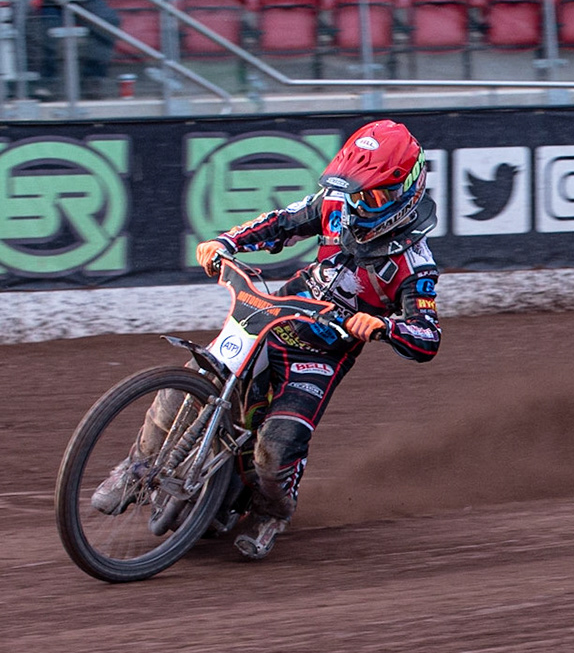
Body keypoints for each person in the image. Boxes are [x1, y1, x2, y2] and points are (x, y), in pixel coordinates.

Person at [89, 121, 443, 558]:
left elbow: (427, 336)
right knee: (188, 381)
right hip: (274, 316)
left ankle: (271, 511)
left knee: (276, 447)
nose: (359, 201)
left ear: (405, 191)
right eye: (355, 189)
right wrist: (226, 242)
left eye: (373, 193)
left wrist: (382, 327)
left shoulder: (415, 265)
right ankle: (137, 467)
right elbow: (281, 223)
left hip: (321, 352)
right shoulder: (335, 204)